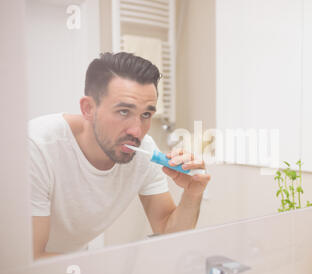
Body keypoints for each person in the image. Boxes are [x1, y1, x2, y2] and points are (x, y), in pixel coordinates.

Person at [30, 52, 210, 259]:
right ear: (88, 109)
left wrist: (192, 193)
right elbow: (31, 260)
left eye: (146, 115)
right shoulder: (37, 148)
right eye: (124, 112)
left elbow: (168, 232)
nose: (136, 131)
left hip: (75, 268)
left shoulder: (145, 151)